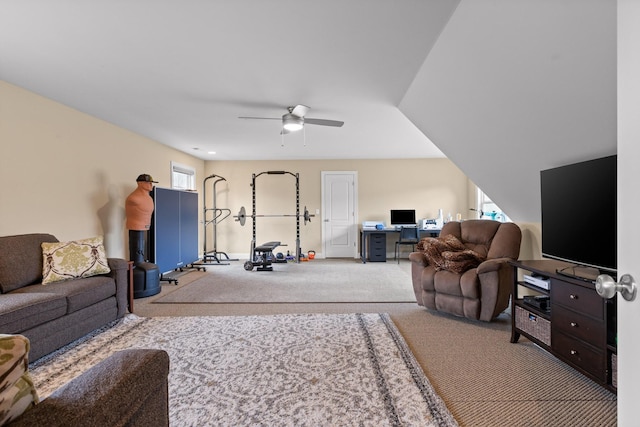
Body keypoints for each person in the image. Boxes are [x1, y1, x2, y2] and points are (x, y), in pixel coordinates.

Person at [125, 174, 158, 263]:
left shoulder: (149, 199)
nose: (151, 185)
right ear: (140, 183)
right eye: (148, 183)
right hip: (135, 227)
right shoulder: (133, 198)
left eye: (151, 183)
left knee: (142, 252)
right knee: (137, 252)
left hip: (145, 227)